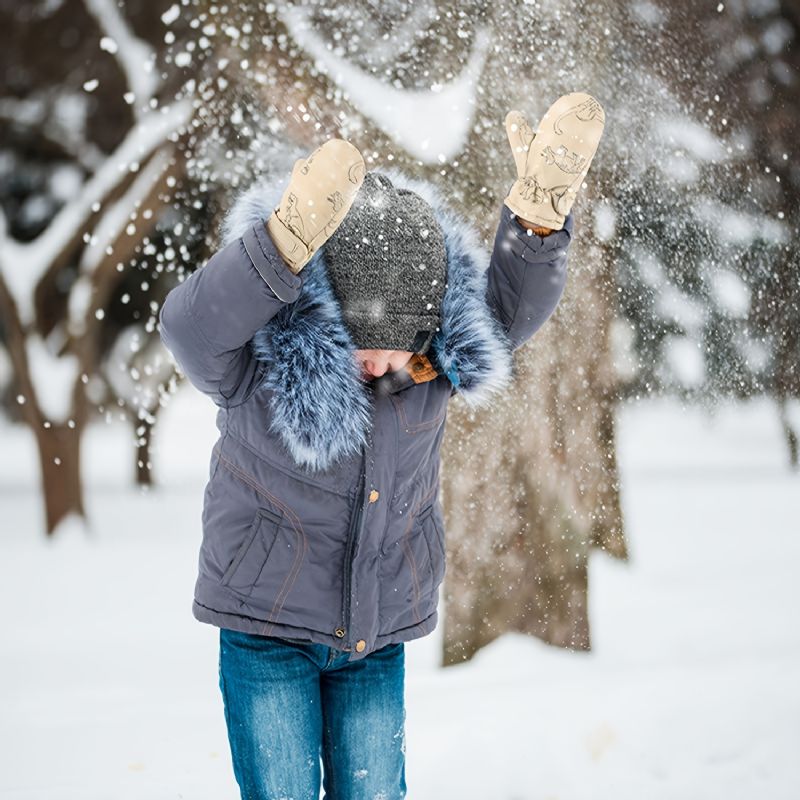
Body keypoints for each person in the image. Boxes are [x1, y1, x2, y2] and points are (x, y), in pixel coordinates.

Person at [158, 92, 605, 800]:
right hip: (266, 633)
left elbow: (507, 315)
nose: (379, 363)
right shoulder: (259, 359)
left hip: (373, 636)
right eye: (364, 341)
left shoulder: (427, 367)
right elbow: (188, 325)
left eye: (398, 343)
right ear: (329, 307)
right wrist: (279, 249)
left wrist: (537, 223)